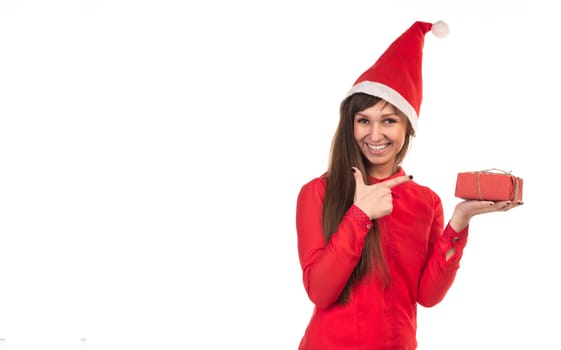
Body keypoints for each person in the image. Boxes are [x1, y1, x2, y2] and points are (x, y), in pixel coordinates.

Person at [295, 20, 522, 350]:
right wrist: (360, 215)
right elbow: (320, 290)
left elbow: (427, 296)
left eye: (388, 120)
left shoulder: (425, 201)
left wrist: (460, 220)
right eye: (363, 121)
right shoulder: (317, 193)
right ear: (350, 125)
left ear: (407, 128)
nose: (375, 134)